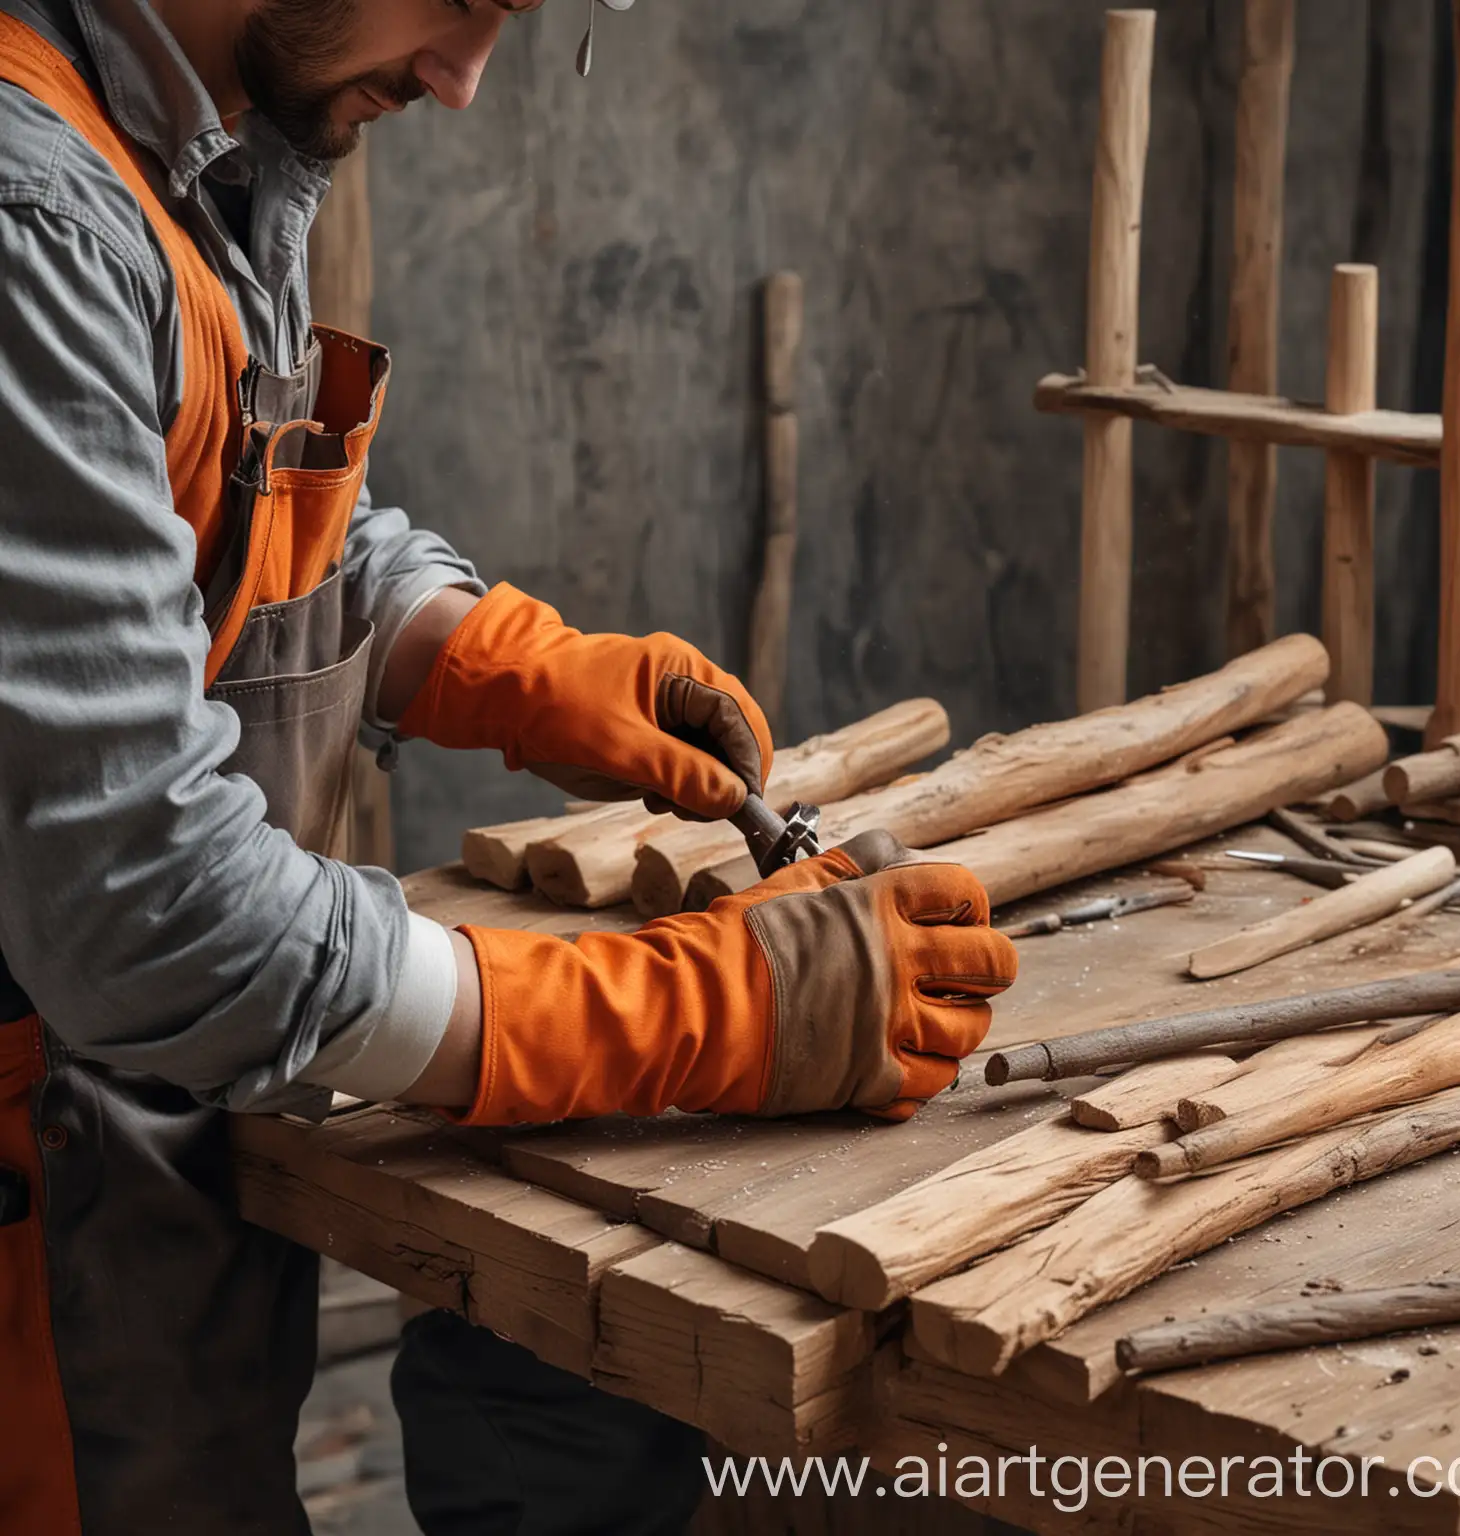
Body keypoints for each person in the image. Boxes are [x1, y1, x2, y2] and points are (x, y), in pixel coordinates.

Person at [0, 0, 1019, 1531]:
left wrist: (499, 659)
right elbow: (146, 908)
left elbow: (244, 535)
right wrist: (692, 1013)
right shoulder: (35, 223)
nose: (462, 81)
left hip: (118, 1183)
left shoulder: (194, 147)